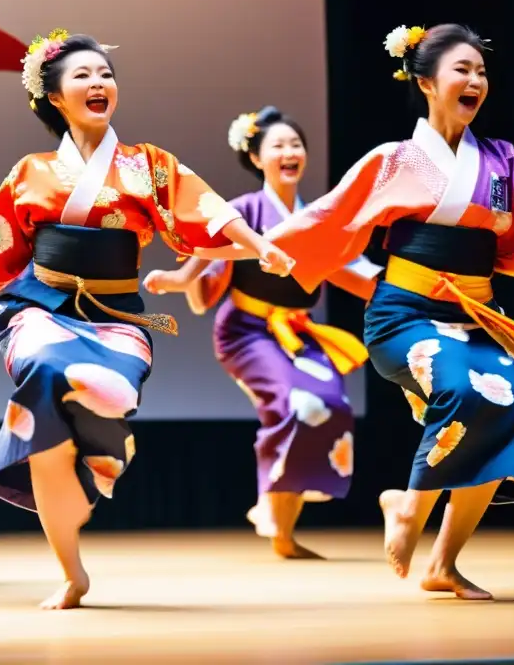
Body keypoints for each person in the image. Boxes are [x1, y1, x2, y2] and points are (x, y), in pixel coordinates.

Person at [258, 23, 514, 599]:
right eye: (462, 70)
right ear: (425, 81)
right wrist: (262, 248)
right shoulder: (394, 161)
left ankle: (443, 563)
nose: (476, 80)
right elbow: (329, 216)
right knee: (472, 391)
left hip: (478, 314)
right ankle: (407, 506)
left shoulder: (504, 167)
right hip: (404, 314)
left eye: (482, 71)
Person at [0, 29, 294, 610]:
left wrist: (258, 245)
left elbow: (205, 210)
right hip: (40, 308)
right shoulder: (31, 171)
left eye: (106, 74)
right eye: (83, 76)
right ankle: (71, 571)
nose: (98, 83)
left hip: (116, 317)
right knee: (43, 369)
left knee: (105, 395)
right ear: (55, 97)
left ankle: (91, 462)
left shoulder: (150, 165)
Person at [143, 105, 382, 558]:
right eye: (278, 146)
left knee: (331, 404)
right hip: (246, 332)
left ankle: (284, 532)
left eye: (296, 145)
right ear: (256, 158)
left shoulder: (316, 215)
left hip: (298, 331)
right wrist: (179, 280)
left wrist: (395, 289)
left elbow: (349, 268)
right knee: (295, 403)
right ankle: (274, 516)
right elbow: (209, 249)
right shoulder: (244, 210)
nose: (289, 152)